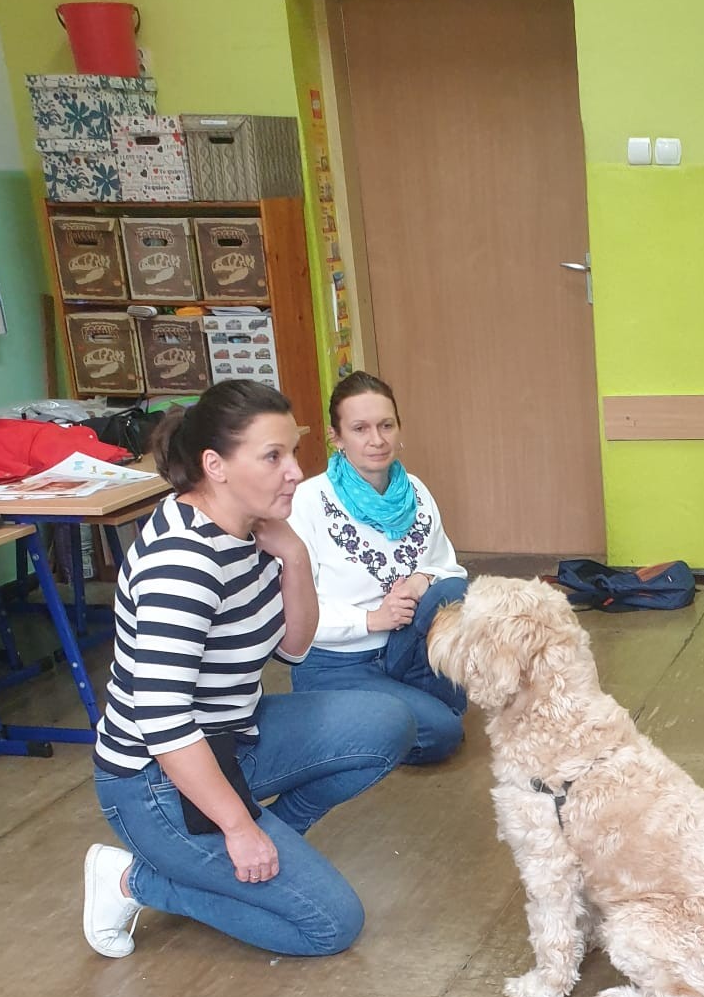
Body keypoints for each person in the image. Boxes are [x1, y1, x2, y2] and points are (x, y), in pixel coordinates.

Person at [84, 381, 415, 960]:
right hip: (155, 782)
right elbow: (163, 723)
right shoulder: (182, 564)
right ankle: (134, 881)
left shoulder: (251, 527)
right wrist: (238, 828)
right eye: (272, 456)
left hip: (232, 738)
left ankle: (263, 845)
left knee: (388, 722)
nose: (295, 472)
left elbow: (294, 646)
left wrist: (296, 557)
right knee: (330, 926)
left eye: (293, 452)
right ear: (215, 466)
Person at [288, 372, 471, 755]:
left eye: (386, 425)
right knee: (442, 733)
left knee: (454, 591)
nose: (377, 439)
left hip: (400, 650)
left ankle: (391, 710)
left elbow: (450, 569)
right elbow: (292, 615)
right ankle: (339, 720)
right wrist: (372, 619)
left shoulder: (416, 490)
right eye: (360, 429)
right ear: (336, 437)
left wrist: (422, 579)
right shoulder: (307, 501)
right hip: (337, 663)